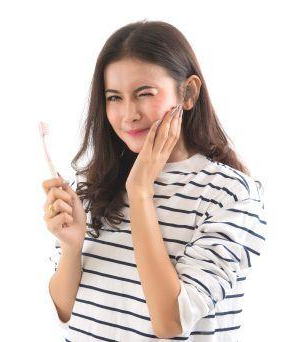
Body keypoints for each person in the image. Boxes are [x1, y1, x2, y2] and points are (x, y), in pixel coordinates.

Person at [41, 20, 267, 341]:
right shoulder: (97, 182)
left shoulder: (230, 194)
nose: (128, 114)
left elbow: (171, 322)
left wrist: (141, 191)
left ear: (188, 93)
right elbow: (65, 312)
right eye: (114, 97)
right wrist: (72, 246)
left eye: (144, 93)